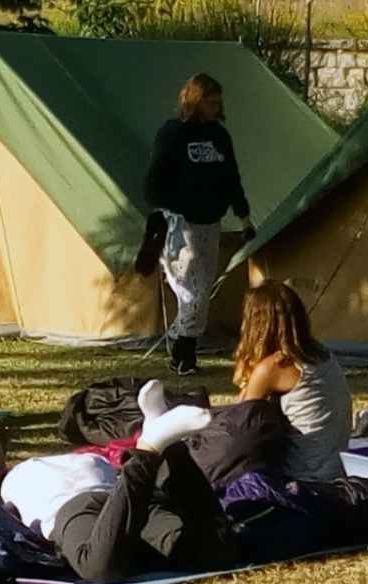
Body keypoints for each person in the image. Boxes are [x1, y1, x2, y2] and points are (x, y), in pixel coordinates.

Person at [1, 383, 237, 583]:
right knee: (214, 551)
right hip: (122, 496)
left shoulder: (13, 478)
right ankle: (164, 438)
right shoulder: (81, 459)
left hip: (81, 504)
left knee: (99, 568)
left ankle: (151, 446)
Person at [144, 72, 254, 375]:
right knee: (191, 290)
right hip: (181, 224)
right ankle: (183, 353)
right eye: (210, 101)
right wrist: (167, 211)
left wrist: (244, 217)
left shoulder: (219, 136)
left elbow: (232, 179)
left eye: (219, 102)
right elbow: (154, 182)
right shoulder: (173, 134)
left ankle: (184, 349)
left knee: (202, 289)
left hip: (210, 222)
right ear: (195, 101)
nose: (216, 107)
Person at [233, 281, 352, 482]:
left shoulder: (275, 367)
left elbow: (238, 428)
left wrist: (248, 368)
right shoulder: (322, 356)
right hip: (336, 473)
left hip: (303, 481)